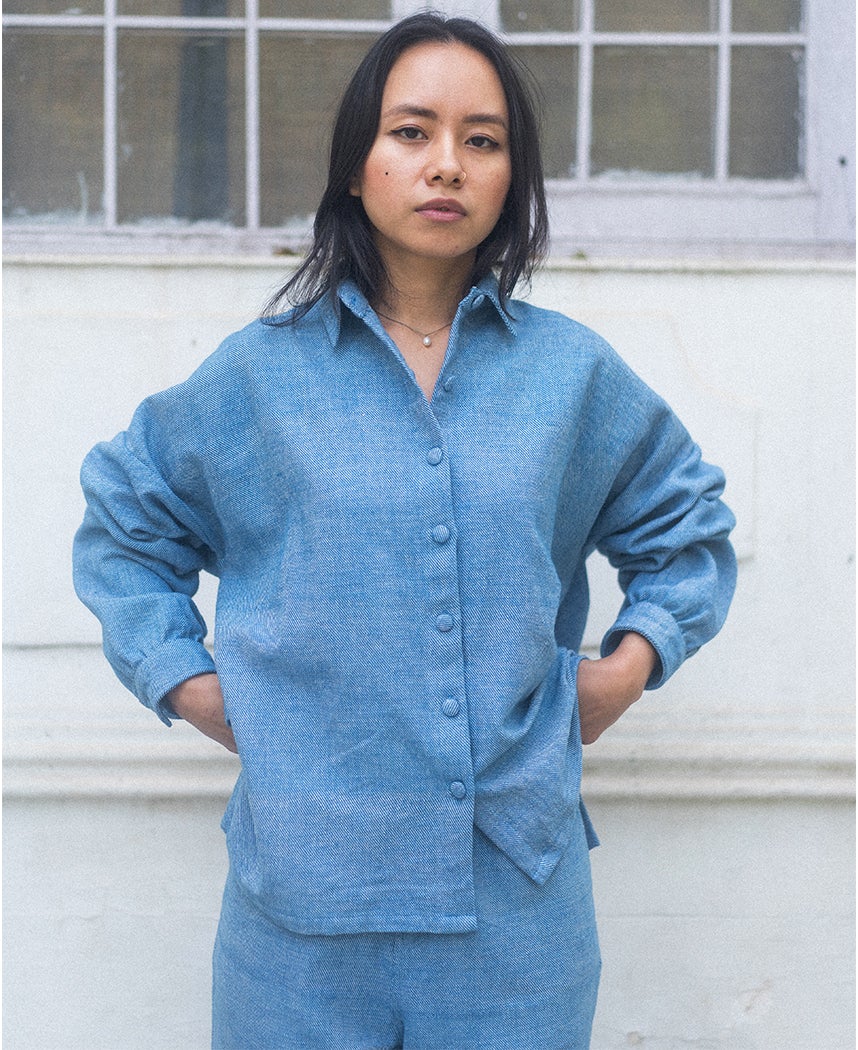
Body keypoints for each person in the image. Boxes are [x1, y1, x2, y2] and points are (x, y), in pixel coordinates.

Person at [73, 12, 737, 1050]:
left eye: (483, 140)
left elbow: (685, 525)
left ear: (512, 177)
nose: (448, 166)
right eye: (412, 132)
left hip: (516, 905)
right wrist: (187, 682)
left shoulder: (569, 375)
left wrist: (627, 667)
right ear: (356, 164)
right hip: (300, 910)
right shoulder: (261, 377)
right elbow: (127, 524)